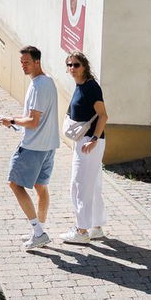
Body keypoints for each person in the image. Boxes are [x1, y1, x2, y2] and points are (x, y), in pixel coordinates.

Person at [0, 44, 58, 249]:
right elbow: (35, 120)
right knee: (41, 187)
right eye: (21, 62)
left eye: (27, 62)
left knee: (14, 184)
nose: (23, 66)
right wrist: (14, 123)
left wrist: (12, 120)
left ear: (37, 62)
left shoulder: (39, 86)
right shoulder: (48, 82)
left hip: (34, 147)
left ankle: (39, 232)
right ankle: (38, 230)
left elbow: (33, 121)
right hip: (48, 146)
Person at [61, 51, 109, 243]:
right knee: (93, 184)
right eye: (69, 65)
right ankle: (96, 227)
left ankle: (81, 231)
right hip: (86, 141)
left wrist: (94, 138)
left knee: (79, 184)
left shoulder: (91, 88)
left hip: (89, 142)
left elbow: (103, 115)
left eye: (76, 65)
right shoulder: (80, 86)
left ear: (85, 66)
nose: (72, 68)